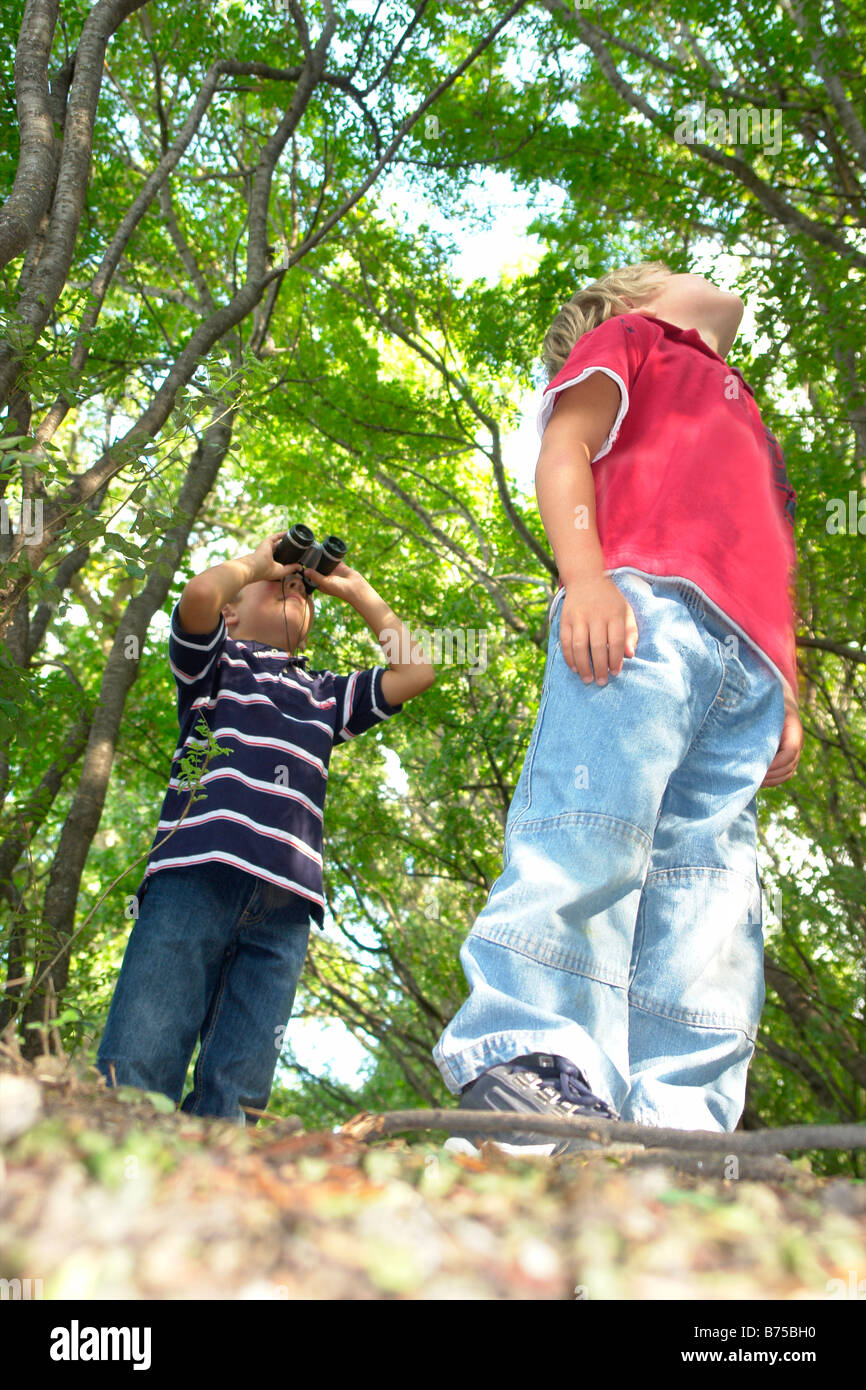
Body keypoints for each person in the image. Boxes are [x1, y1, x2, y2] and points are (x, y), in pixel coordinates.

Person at [434, 263, 803, 1155]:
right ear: (627, 304)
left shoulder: (747, 416)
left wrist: (789, 688)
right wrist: (587, 579)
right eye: (669, 273)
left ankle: (678, 1131)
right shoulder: (636, 341)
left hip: (746, 671)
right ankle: (530, 1069)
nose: (695, 277)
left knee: (713, 901)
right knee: (588, 833)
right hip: (640, 615)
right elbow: (565, 449)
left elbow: (772, 563)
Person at [96, 532, 435, 1122]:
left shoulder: (326, 695)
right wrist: (258, 561)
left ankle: (213, 1191)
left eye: (303, 591)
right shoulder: (214, 665)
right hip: (196, 872)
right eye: (274, 586)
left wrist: (354, 590)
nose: (293, 589)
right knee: (142, 1055)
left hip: (286, 902)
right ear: (232, 612)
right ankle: (115, 1167)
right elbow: (200, 593)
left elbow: (417, 669)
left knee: (240, 1087)